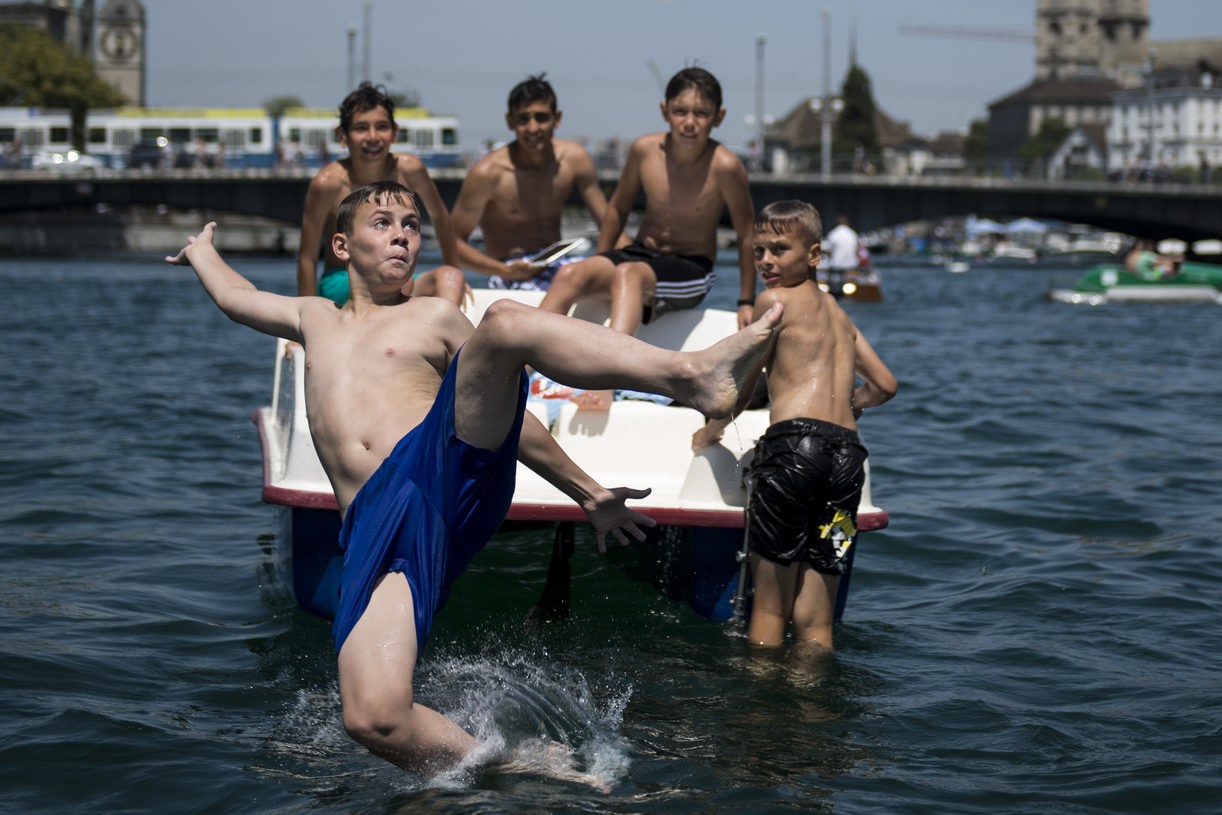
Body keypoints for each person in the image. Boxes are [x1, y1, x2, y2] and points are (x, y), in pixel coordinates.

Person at [167, 180, 782, 777]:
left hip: (439, 473)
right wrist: (201, 253)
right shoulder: (312, 317)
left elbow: (512, 414)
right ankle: (513, 765)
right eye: (383, 224)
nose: (402, 237)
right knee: (372, 718)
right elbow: (237, 297)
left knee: (507, 323)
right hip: (371, 526)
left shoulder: (433, 317)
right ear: (342, 246)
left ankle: (689, 375)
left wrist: (588, 492)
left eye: (412, 226)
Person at [693, 200, 897, 650]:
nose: (766, 260)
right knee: (817, 616)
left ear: (814, 255)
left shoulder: (774, 301)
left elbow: (744, 383)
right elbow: (884, 384)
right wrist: (853, 405)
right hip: (847, 461)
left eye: (779, 249)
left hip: (793, 455)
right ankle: (812, 707)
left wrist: (713, 428)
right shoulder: (842, 318)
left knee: (768, 607)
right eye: (759, 250)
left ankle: (765, 715)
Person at [538, 67, 757, 334]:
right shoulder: (644, 150)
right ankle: (520, 370)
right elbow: (618, 209)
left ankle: (609, 372)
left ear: (718, 117)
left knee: (629, 274)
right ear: (665, 111)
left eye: (701, 113)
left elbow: (746, 233)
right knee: (570, 274)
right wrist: (602, 259)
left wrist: (746, 301)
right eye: (680, 111)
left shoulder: (725, 166)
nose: (689, 122)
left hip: (691, 267)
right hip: (639, 254)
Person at [297, 82, 466, 306]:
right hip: (344, 281)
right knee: (394, 281)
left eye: (382, 126)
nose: (373, 136)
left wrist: (454, 268)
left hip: (402, 278)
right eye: (361, 128)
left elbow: (441, 220)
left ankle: (451, 340)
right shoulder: (328, 183)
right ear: (342, 136)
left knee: (451, 278)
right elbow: (307, 258)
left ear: (395, 133)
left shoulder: (409, 169)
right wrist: (305, 318)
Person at [449, 75, 615, 291]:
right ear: (510, 121)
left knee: (624, 280)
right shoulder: (488, 174)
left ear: (557, 118)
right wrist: (503, 270)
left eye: (541, 118)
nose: (533, 128)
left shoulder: (574, 160)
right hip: (511, 272)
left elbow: (610, 224)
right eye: (523, 119)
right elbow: (452, 242)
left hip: (560, 265)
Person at [822, 214, 859, 288]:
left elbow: (829, 251)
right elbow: (856, 250)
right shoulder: (853, 234)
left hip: (836, 265)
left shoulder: (833, 234)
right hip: (851, 266)